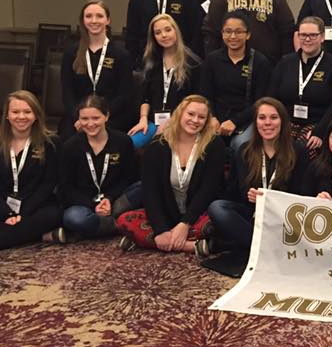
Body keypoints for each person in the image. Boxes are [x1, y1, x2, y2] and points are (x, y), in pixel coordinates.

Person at [116, 95, 225, 252]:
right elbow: (150, 192)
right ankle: (192, 246)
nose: (195, 120)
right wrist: (160, 230)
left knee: (219, 219)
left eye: (201, 117)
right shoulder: (157, 145)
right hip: (167, 214)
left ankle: (151, 242)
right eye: (191, 114)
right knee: (125, 220)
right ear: (180, 114)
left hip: (198, 214)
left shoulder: (215, 145)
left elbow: (209, 189)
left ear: (207, 121)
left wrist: (185, 224)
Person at [202, 98, 308, 258]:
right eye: (262, 117)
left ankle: (238, 245)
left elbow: (303, 195)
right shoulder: (244, 151)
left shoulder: (298, 151)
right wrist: (248, 196)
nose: (267, 123)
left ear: (283, 121)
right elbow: (233, 192)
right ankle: (267, 249)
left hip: (284, 218)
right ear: (255, 122)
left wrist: (271, 198)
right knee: (217, 208)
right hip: (252, 216)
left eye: (273, 117)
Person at [0, 91, 61, 256]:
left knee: (53, 216)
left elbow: (49, 183)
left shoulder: (50, 143)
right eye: (15, 112)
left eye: (27, 111)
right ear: (7, 116)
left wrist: (23, 213)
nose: (21, 117)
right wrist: (7, 214)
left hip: (37, 205)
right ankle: (39, 235)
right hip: (2, 204)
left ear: (36, 116)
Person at [59, 95, 139, 240]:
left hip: (115, 201)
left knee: (144, 187)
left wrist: (109, 198)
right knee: (73, 218)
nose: (90, 124)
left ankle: (96, 227)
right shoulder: (70, 146)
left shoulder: (123, 141)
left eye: (96, 118)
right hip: (85, 204)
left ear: (106, 116)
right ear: (78, 119)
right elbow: (66, 187)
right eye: (84, 119)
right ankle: (116, 225)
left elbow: (129, 178)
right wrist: (92, 205)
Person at [60, 0, 134, 141]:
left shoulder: (121, 54)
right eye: (89, 16)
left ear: (108, 20)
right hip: (78, 118)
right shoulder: (71, 53)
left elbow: (125, 95)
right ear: (83, 20)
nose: (94, 21)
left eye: (99, 16)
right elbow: (67, 93)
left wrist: (101, 117)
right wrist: (81, 118)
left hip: (111, 117)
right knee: (67, 138)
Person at [200, 11, 272, 155]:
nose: (233, 36)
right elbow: (205, 94)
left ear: (248, 34)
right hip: (215, 119)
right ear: (222, 33)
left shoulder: (260, 62)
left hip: (247, 120)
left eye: (238, 32)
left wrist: (234, 121)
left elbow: (260, 102)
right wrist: (212, 117)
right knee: (205, 145)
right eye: (228, 31)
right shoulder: (212, 60)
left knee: (241, 145)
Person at [268, 16, 332, 159]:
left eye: (313, 35)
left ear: (322, 37)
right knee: (276, 146)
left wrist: (320, 132)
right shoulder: (285, 62)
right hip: (287, 122)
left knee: (302, 149)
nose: (307, 39)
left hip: (317, 124)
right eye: (303, 35)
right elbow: (271, 97)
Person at [127, 14, 202, 148]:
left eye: (168, 30)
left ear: (176, 31)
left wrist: (172, 122)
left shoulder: (192, 62)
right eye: (158, 32)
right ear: (153, 37)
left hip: (181, 122)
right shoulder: (151, 61)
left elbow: (195, 100)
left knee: (160, 146)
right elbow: (145, 98)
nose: (164, 35)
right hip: (151, 122)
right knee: (127, 145)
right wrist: (143, 119)